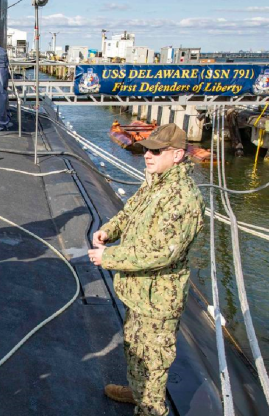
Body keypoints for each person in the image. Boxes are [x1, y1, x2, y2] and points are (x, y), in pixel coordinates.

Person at [87, 123, 205, 416]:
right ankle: (137, 390)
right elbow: (130, 213)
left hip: (158, 299)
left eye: (156, 151)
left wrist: (109, 256)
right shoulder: (156, 181)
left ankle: (149, 406)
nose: (147, 156)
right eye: (146, 150)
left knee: (152, 362)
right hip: (140, 290)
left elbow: (161, 252)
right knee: (135, 347)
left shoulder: (184, 198)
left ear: (177, 155)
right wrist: (109, 230)